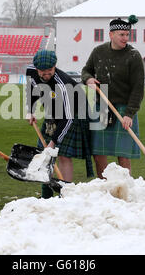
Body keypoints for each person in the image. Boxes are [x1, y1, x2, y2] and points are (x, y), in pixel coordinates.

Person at [81, 16, 145, 178]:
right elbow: (86, 70)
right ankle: (103, 184)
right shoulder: (98, 52)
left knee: (123, 153)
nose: (125, 38)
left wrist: (130, 113)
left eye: (127, 35)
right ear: (111, 34)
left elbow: (138, 88)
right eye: (121, 34)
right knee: (98, 152)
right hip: (101, 106)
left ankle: (125, 184)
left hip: (124, 107)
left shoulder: (133, 56)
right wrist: (88, 79)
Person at [26, 50, 93, 198]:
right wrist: (30, 110)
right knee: (45, 154)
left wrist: (54, 142)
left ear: (54, 66)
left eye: (49, 70)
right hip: (53, 109)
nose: (46, 74)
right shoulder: (31, 72)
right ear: (36, 69)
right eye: (42, 71)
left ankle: (65, 194)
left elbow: (67, 118)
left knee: (62, 155)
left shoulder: (63, 84)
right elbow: (31, 88)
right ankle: (46, 195)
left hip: (75, 113)